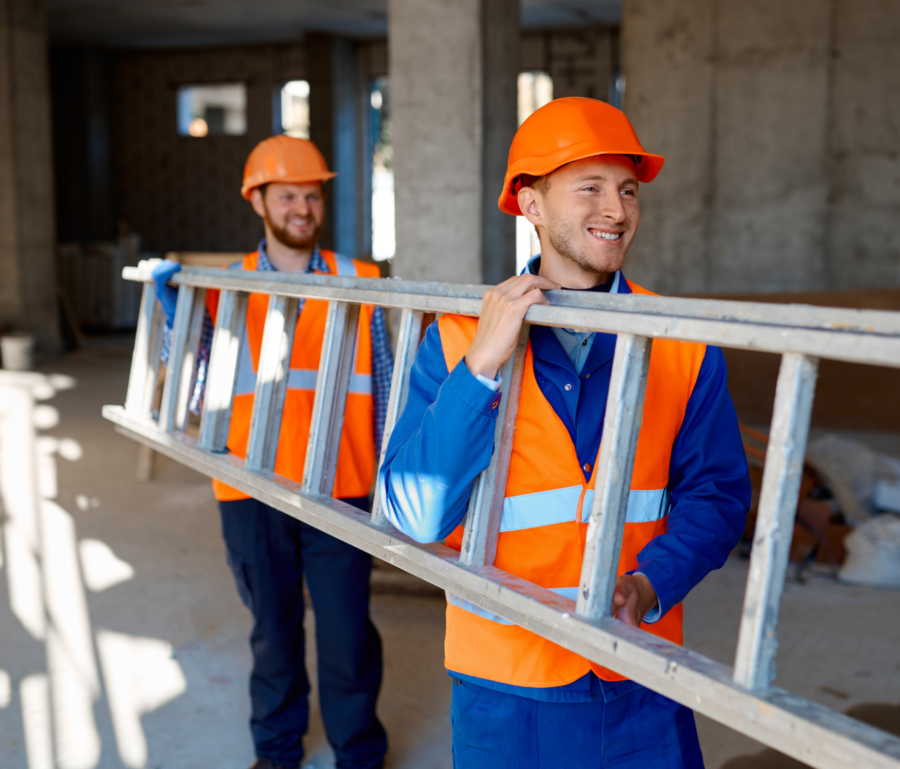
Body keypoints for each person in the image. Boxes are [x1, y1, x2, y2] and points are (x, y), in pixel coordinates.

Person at [379, 97, 750, 768]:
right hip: (505, 684)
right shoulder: (460, 339)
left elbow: (718, 496)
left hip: (640, 671)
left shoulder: (679, 339)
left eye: (627, 189)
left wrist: (648, 584)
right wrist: (481, 369)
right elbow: (416, 513)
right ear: (531, 205)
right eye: (590, 188)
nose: (616, 210)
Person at [152, 135, 391, 769]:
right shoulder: (226, 287)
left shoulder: (360, 280)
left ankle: (359, 754)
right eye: (287, 195)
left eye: (311, 195)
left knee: (346, 633)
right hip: (250, 486)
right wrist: (176, 319)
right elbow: (197, 388)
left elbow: (386, 386)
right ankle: (277, 750)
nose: (303, 208)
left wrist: (394, 481)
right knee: (272, 631)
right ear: (258, 200)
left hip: (341, 485)